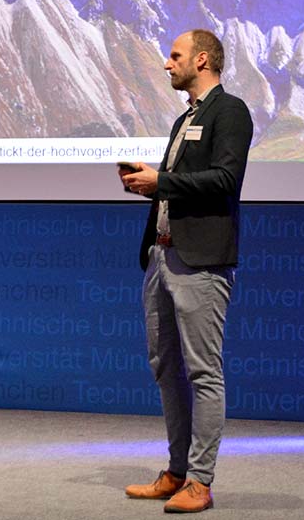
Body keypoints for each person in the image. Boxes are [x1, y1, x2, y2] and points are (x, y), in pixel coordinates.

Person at [119, 29, 253, 514]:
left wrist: (163, 181)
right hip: (161, 257)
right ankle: (177, 472)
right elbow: (179, 185)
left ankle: (200, 480)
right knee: (165, 367)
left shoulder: (229, 111)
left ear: (202, 60)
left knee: (202, 371)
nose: (166, 63)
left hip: (200, 261)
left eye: (175, 55)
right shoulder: (184, 119)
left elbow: (225, 179)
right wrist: (149, 184)